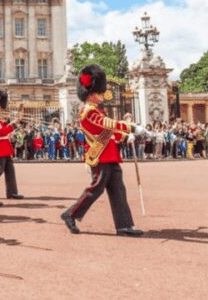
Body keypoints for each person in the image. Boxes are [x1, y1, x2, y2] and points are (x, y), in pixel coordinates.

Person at [60, 64, 145, 237]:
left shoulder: (97, 110)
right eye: (99, 92)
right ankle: (70, 214)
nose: (102, 95)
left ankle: (124, 225)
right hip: (99, 155)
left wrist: (124, 137)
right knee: (96, 188)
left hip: (110, 154)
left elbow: (108, 132)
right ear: (91, 93)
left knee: (118, 190)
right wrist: (131, 127)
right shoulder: (88, 111)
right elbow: (108, 124)